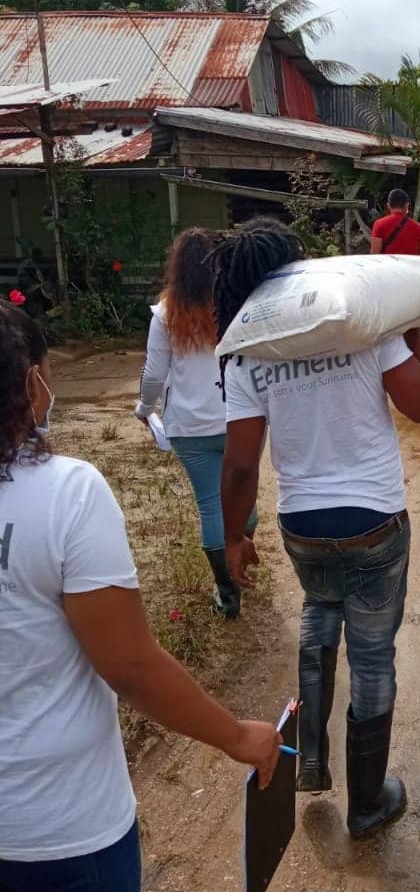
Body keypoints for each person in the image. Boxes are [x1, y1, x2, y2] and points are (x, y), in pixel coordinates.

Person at [0, 299, 279, 892]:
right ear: (33, 385)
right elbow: (128, 665)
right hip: (61, 823)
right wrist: (237, 735)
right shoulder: (65, 495)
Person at [214, 218, 420, 838]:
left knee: (320, 603)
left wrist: (235, 537)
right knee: (372, 659)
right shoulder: (363, 321)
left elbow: (239, 466)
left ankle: (310, 757)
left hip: (302, 525)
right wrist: (412, 326)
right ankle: (367, 803)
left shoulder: (247, 348)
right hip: (374, 521)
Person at [135, 227, 252, 619]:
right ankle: (241, 548)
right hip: (238, 417)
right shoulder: (234, 304)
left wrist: (144, 408)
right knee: (243, 496)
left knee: (210, 506)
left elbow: (154, 375)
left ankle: (227, 591)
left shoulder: (165, 314)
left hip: (188, 425)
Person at [370, 189, 420, 256]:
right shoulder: (418, 227)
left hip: (388, 266)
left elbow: (375, 255)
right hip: (410, 266)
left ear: (388, 205)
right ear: (407, 206)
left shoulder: (379, 224)